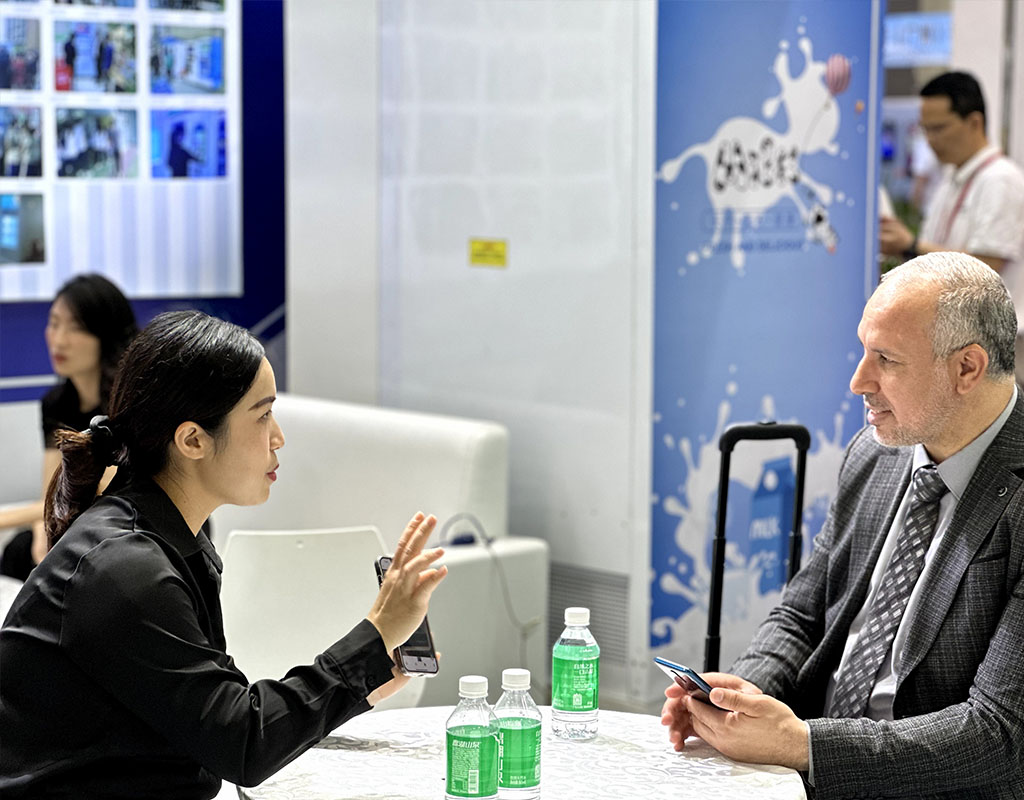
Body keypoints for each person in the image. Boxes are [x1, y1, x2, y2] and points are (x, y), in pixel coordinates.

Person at [0, 310, 448, 797]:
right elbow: (243, 744)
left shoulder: (169, 540)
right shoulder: (122, 568)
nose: (278, 437)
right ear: (192, 439)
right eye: (262, 414)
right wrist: (377, 635)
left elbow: (220, 715)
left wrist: (362, 684)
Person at [661, 252, 1024, 798]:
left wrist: (801, 745)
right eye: (863, 350)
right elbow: (802, 614)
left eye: (886, 359)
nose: (858, 381)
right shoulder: (876, 454)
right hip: (807, 769)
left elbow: (998, 737)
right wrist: (741, 695)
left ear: (967, 369)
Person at [877, 72, 1024, 382]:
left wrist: (910, 245)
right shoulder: (951, 180)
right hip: (961, 341)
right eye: (925, 130)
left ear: (974, 122)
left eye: (939, 129)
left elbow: (987, 266)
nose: (931, 140)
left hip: (999, 346)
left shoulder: (1000, 179)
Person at [0, 274, 138, 581]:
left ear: (105, 335)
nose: (58, 339)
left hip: (132, 521)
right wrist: (42, 528)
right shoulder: (56, 404)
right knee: (21, 551)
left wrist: (8, 517)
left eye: (75, 327)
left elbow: (105, 491)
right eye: (54, 323)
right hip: (82, 522)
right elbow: (52, 490)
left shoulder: (132, 399)